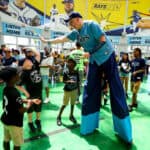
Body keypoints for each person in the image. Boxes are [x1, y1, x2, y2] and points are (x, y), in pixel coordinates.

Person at [40, 12, 132, 143]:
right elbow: (62, 39)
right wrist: (47, 41)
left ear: (78, 20)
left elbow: (102, 40)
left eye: (71, 22)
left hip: (107, 56)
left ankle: (124, 130)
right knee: (89, 88)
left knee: (115, 88)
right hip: (94, 60)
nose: (70, 25)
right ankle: (89, 125)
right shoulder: (75, 33)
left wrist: (89, 52)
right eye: (69, 23)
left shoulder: (91, 25)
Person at [0, 67, 41, 150]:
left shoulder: (6, 89)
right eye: (17, 74)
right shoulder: (15, 93)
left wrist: (30, 100)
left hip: (6, 120)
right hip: (15, 123)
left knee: (6, 139)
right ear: (12, 78)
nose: (19, 76)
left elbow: (17, 100)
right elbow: (21, 110)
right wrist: (29, 105)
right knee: (17, 144)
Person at [17, 47, 43, 132]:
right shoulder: (23, 74)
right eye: (27, 61)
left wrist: (30, 48)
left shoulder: (35, 66)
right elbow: (18, 85)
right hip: (30, 94)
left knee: (39, 108)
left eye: (30, 61)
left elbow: (38, 54)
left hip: (38, 92)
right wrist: (26, 93)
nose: (30, 62)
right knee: (30, 110)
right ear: (24, 64)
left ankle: (38, 120)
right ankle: (30, 122)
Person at [57, 58, 79, 126]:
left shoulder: (76, 72)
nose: (70, 64)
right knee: (64, 104)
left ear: (74, 65)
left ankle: (71, 116)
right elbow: (63, 81)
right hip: (67, 90)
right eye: (69, 63)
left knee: (72, 104)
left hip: (74, 90)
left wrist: (79, 90)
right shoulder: (66, 72)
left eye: (72, 63)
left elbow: (78, 81)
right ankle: (59, 117)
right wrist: (68, 81)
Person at [129, 48, 145, 112]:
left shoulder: (142, 60)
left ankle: (132, 104)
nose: (134, 53)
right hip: (132, 78)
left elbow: (143, 69)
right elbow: (130, 68)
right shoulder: (132, 61)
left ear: (139, 52)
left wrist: (136, 72)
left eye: (135, 52)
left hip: (138, 78)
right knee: (132, 90)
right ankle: (135, 103)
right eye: (133, 52)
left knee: (134, 91)